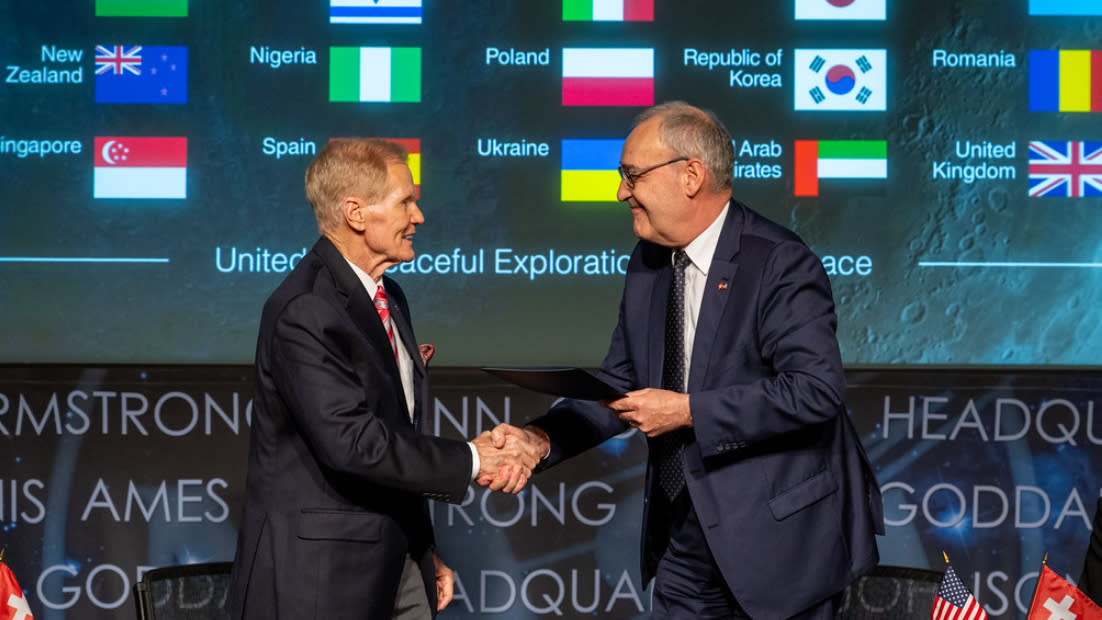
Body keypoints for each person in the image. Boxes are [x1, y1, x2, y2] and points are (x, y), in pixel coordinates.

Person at [491, 102, 884, 619]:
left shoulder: (779, 262)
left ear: (691, 175)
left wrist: (687, 411)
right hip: (684, 536)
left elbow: (814, 390)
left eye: (632, 176)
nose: (620, 192)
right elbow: (620, 384)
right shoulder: (649, 261)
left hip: (781, 544)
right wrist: (540, 440)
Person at [226, 138, 539, 620]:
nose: (419, 216)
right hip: (321, 580)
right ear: (356, 213)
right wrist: (475, 458)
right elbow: (352, 443)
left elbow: (398, 437)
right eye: (405, 202)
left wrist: (421, 546)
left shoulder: (388, 295)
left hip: (398, 563)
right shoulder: (306, 309)